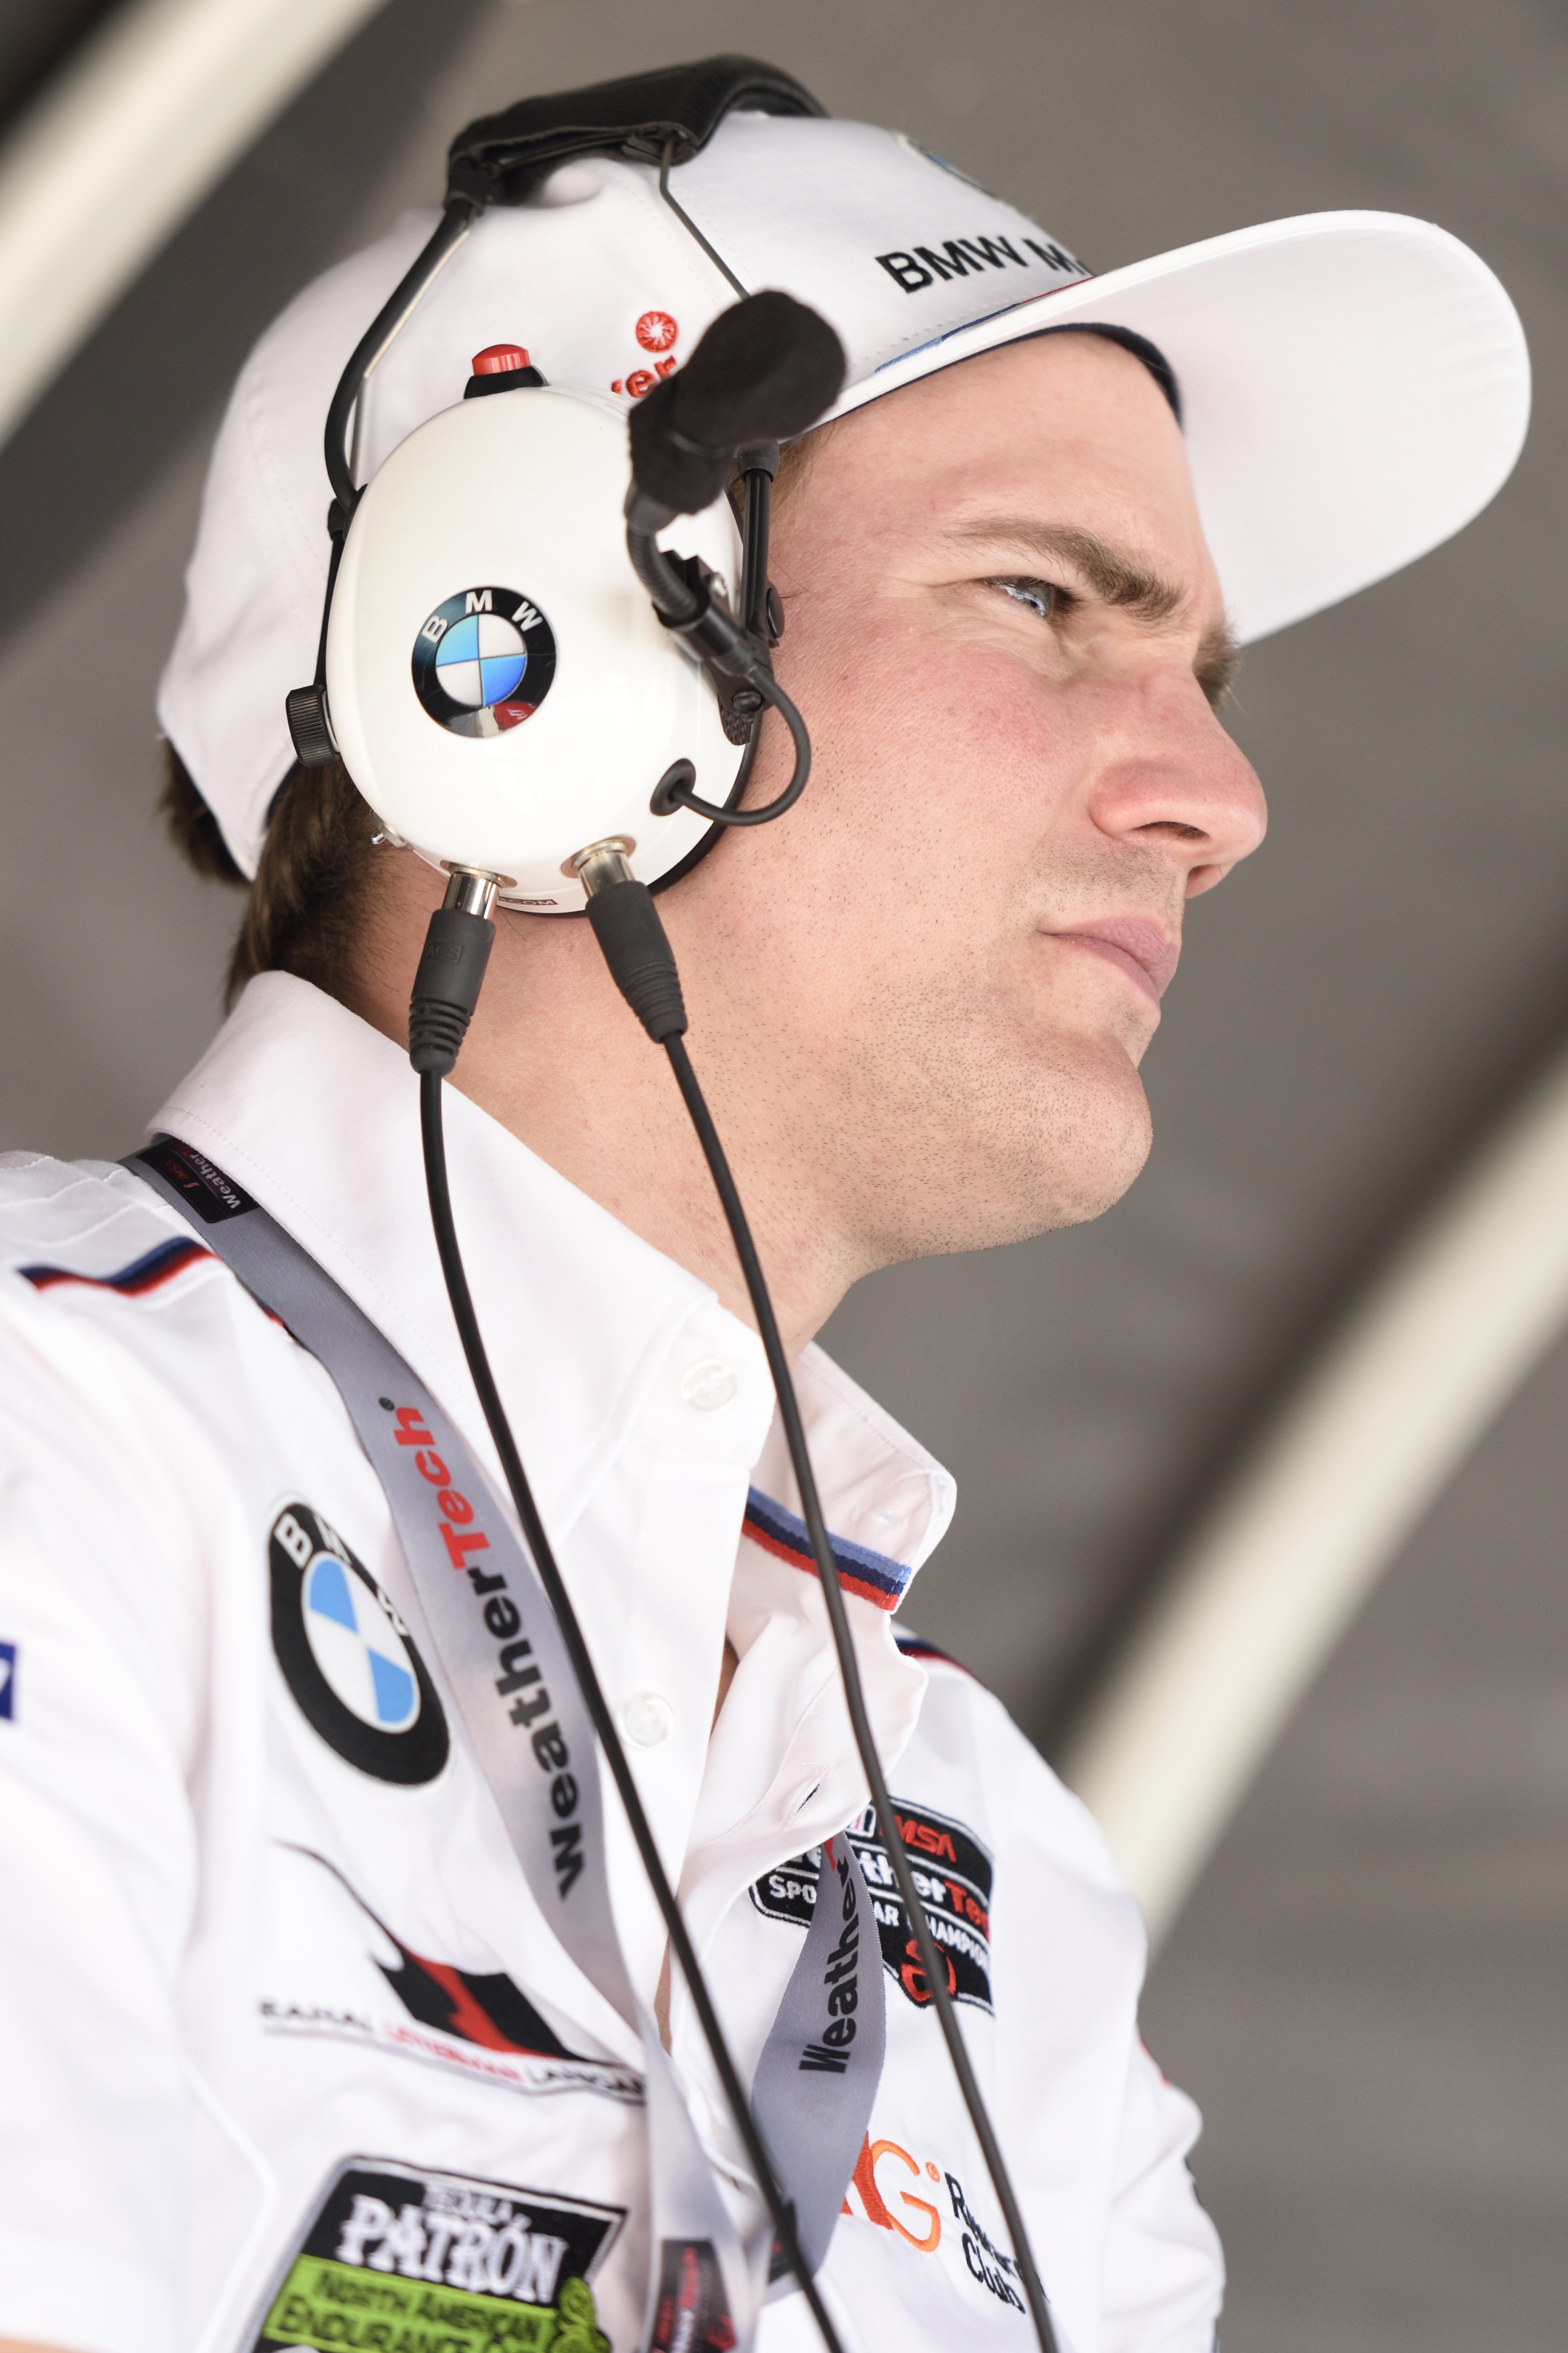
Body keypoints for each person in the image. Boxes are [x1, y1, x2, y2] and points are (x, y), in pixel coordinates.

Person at [0, 57, 1527, 2353]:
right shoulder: (58, 1449)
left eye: (1202, 675)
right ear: (519, 660)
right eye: (1043, 599)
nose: (1219, 799)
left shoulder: (997, 1865)